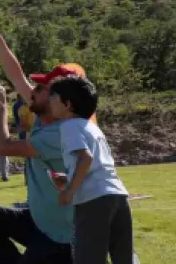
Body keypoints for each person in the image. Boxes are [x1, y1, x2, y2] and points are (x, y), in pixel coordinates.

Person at [0, 7, 84, 263]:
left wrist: (1, 109)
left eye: (40, 88)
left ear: (60, 99)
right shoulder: (47, 115)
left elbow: (2, 147)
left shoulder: (60, 133)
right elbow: (15, 72)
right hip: (38, 221)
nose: (32, 91)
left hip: (60, 237)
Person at [48, 76, 134, 264]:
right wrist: (68, 177)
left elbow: (86, 157)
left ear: (67, 104)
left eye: (53, 97)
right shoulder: (92, 127)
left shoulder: (69, 126)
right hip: (117, 196)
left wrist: (69, 192)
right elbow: (96, 164)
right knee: (124, 259)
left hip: (93, 201)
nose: (49, 101)